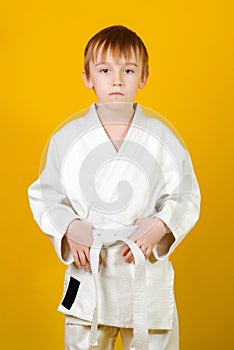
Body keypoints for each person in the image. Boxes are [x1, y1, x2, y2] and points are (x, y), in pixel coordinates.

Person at [28, 25, 201, 350]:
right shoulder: (67, 138)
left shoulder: (162, 137)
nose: (117, 79)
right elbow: (45, 194)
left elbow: (187, 195)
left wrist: (161, 226)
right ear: (88, 78)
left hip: (143, 272)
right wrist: (68, 225)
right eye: (105, 70)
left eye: (129, 70)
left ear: (144, 77)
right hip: (91, 271)